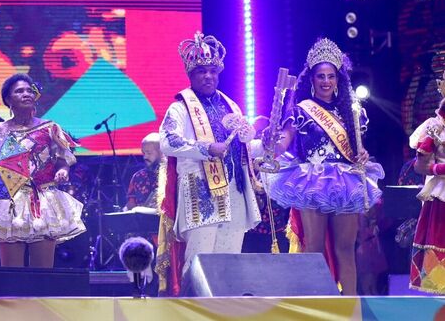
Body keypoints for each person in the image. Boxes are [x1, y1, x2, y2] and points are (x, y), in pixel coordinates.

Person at [267, 37, 383, 295]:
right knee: (314, 247)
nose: (326, 81)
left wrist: (361, 154)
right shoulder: (300, 110)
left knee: (345, 248)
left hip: (345, 181)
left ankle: (350, 305)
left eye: (331, 76)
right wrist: (270, 143)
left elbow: (356, 148)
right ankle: (316, 305)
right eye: (321, 76)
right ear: (312, 78)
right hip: (312, 180)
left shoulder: (352, 112)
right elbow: (282, 143)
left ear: (338, 79)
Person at [156, 32, 261, 295]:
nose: (208, 76)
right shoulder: (180, 108)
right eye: (202, 71)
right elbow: (168, 142)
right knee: (199, 261)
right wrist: (206, 148)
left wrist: (266, 145)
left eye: (213, 71)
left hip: (235, 192)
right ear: (191, 74)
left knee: (230, 264)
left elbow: (244, 148)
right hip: (201, 191)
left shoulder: (231, 106)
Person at [0, 73, 86, 267]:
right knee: (12, 275)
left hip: (43, 201)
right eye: (19, 91)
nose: (27, 94)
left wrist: (63, 171)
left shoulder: (50, 128)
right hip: (9, 203)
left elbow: (62, 159)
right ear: (8, 100)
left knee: (43, 273)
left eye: (30, 90)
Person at [409, 97, 445, 293]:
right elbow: (420, 166)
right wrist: (441, 168)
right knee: (439, 281)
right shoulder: (435, 125)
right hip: (442, 198)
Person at [125, 133, 162, 210]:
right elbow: (131, 203)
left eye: (149, 153)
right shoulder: (138, 176)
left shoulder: (173, 174)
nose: (145, 157)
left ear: (161, 152)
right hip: (142, 220)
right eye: (143, 153)